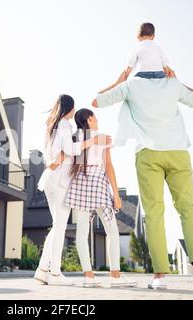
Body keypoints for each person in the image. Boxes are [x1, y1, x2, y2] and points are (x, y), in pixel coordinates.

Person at [92, 75, 193, 292]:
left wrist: (122, 76)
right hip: (177, 151)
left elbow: (97, 100)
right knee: (188, 209)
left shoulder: (129, 85)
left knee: (154, 213)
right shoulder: (173, 83)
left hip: (148, 153)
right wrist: (177, 79)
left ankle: (160, 277)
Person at [34, 94, 111, 286]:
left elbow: (54, 154)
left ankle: (43, 270)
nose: (75, 111)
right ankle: (55, 273)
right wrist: (93, 141)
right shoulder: (65, 125)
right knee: (60, 226)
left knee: (56, 224)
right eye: (74, 107)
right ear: (68, 108)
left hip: (50, 179)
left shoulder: (52, 125)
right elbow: (71, 149)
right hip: (60, 181)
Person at [65, 108, 138, 288]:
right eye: (94, 116)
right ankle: (115, 275)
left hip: (80, 184)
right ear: (89, 119)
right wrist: (116, 194)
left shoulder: (75, 137)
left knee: (81, 233)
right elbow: (109, 166)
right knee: (111, 231)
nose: (97, 119)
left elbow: (75, 162)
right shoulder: (102, 137)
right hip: (97, 183)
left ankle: (88, 277)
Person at [98, 22, 175, 94]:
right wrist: (168, 75)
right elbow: (165, 66)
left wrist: (120, 80)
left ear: (138, 36)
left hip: (143, 75)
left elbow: (129, 66)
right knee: (169, 77)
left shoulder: (137, 47)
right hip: (159, 75)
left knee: (132, 82)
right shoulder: (158, 47)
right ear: (153, 36)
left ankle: (107, 91)